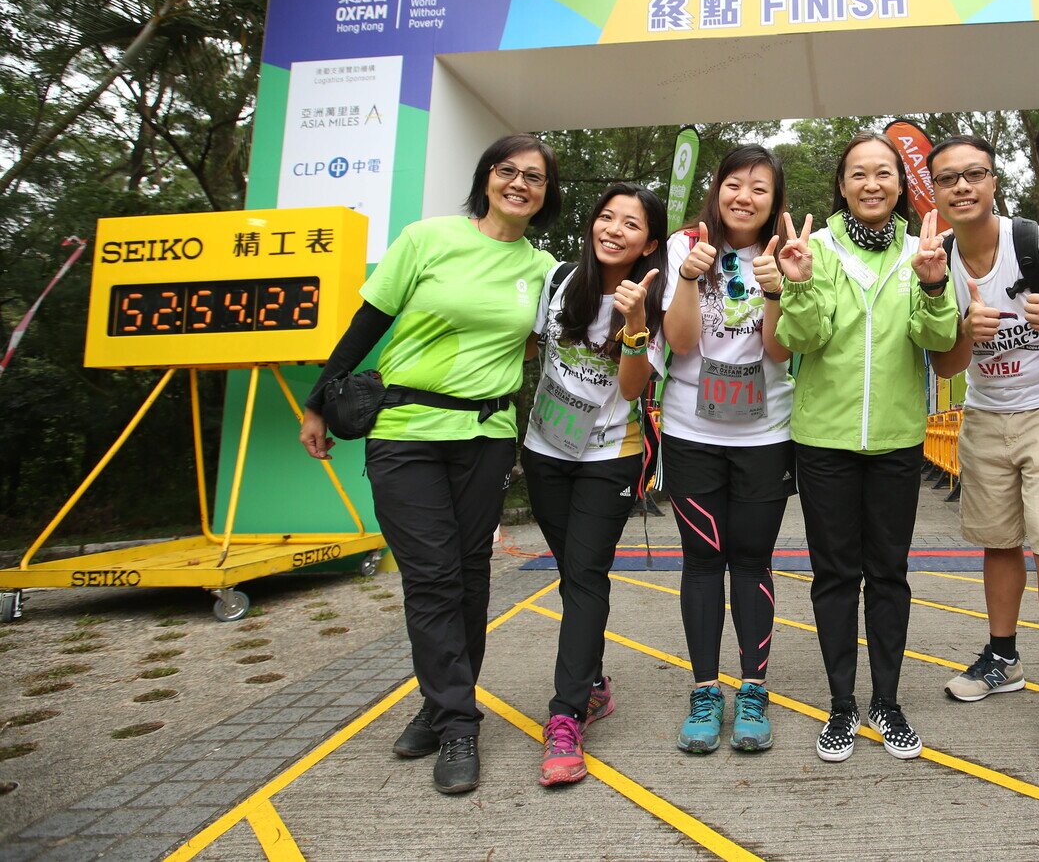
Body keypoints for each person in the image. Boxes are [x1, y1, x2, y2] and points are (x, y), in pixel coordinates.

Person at [298, 134, 561, 795]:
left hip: (487, 435)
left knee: (469, 576)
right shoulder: (426, 238)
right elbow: (366, 323)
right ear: (486, 177)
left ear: (546, 194)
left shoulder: (543, 268)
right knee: (433, 575)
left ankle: (440, 703)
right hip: (406, 431)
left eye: (534, 177)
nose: (519, 183)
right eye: (508, 171)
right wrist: (316, 402)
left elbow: (539, 343)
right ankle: (459, 725)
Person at [924, 134, 1039, 771]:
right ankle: (1002, 656)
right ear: (934, 191)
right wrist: (963, 333)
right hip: (985, 410)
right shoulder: (938, 260)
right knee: (998, 541)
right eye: (948, 178)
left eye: (974, 174)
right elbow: (945, 364)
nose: (962, 187)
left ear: (993, 181)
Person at [775, 132, 958, 763]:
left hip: (896, 439)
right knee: (834, 575)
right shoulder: (818, 248)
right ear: (842, 185)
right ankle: (841, 705)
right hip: (823, 440)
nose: (871, 184)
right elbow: (804, 338)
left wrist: (933, 287)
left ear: (901, 184)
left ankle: (887, 701)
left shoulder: (922, 250)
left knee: (888, 574)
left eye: (884, 172)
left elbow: (937, 340)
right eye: (858, 173)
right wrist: (799, 284)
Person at [523, 182, 666, 788]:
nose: (614, 230)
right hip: (544, 449)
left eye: (631, 224)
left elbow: (633, 388)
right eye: (607, 217)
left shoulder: (654, 299)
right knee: (571, 573)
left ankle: (565, 716)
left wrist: (634, 323)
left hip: (610, 456)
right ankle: (593, 683)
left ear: (649, 243)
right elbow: (530, 348)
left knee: (584, 576)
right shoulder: (558, 281)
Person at [659, 145, 794, 754]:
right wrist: (690, 276)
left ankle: (754, 689)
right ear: (716, 190)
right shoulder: (684, 246)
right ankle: (705, 690)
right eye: (735, 184)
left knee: (753, 560)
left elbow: (781, 351)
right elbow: (681, 343)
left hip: (765, 435)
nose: (745, 197)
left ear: (774, 200)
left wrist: (777, 289)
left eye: (760, 188)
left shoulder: (787, 253)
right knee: (701, 561)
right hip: (692, 432)